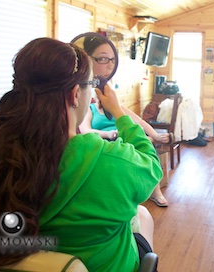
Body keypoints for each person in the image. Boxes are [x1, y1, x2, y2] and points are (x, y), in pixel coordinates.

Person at [0, 38, 162, 271]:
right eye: (90, 84)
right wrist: (119, 113)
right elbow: (151, 166)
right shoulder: (109, 161)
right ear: (75, 94)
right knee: (142, 218)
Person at [79, 35, 169, 207]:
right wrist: (108, 133)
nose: (110, 65)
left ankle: (156, 192)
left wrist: (155, 136)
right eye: (104, 59)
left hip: (122, 138)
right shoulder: (88, 108)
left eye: (113, 60)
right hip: (107, 141)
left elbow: (136, 121)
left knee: (147, 144)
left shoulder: (115, 106)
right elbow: (85, 130)